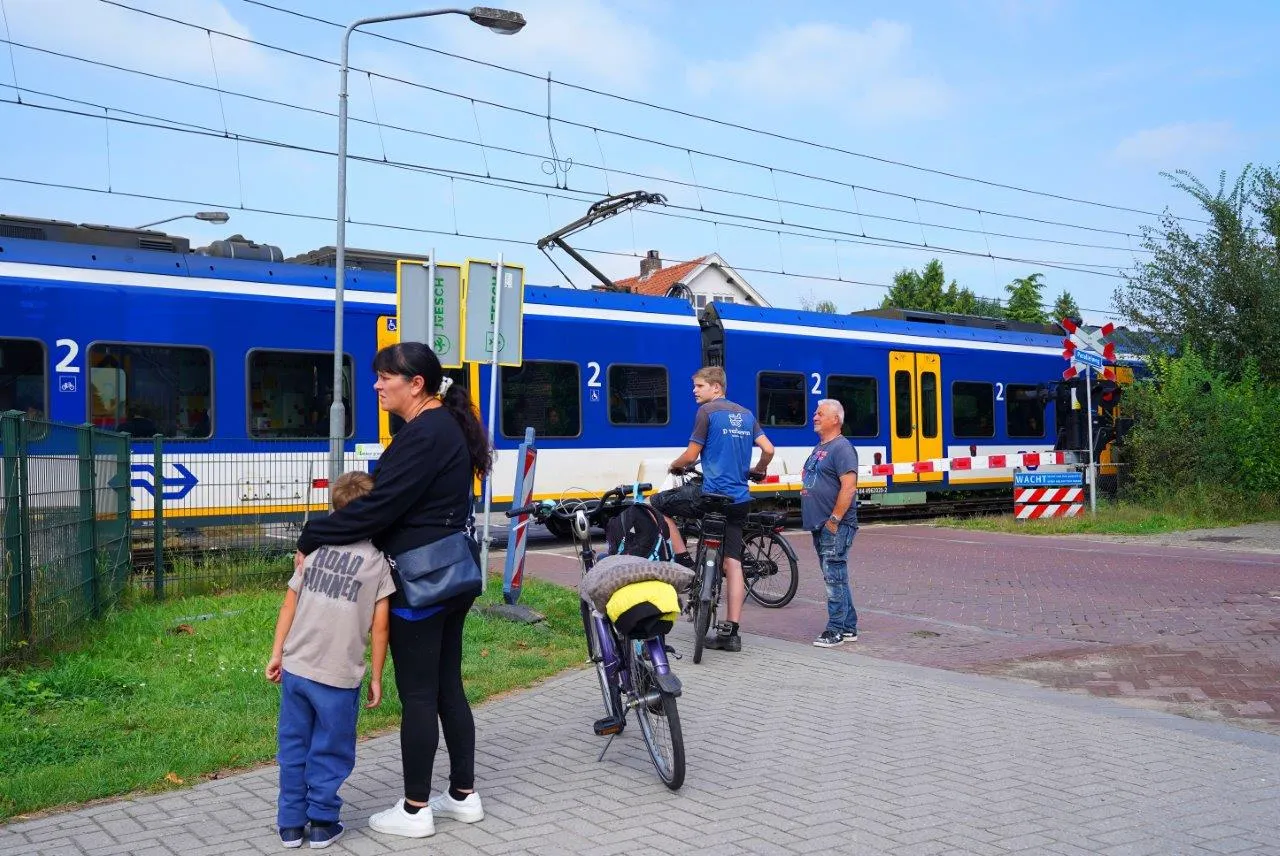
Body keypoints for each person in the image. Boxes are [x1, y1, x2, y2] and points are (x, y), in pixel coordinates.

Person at [294, 342, 492, 840]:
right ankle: (463, 796)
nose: (378, 385)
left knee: (420, 694)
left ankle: (415, 808)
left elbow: (381, 506)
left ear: (416, 384)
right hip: (451, 573)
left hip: (420, 581)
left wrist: (314, 534)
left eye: (386, 378)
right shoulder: (441, 426)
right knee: (447, 685)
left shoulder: (425, 433)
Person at [266, 470, 395, 849]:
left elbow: (289, 605)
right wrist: (376, 676)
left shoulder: (314, 552)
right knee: (331, 748)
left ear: (335, 508)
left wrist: (277, 653)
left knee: (293, 745)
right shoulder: (376, 563)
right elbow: (381, 627)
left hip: (297, 669)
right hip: (339, 677)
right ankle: (322, 821)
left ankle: (289, 824)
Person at [651, 366, 774, 653]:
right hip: (738, 500)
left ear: (716, 388)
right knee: (733, 562)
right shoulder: (746, 414)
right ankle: (731, 633)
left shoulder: (707, 413)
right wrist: (758, 470)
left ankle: (683, 558)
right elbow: (768, 449)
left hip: (708, 495)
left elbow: (692, 455)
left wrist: (675, 465)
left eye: (699, 386)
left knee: (657, 505)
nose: (695, 391)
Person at [801, 399, 859, 648]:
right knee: (835, 575)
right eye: (815, 413)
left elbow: (849, 487)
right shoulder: (820, 447)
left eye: (820, 413)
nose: (814, 416)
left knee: (833, 577)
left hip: (834, 524)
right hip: (821, 524)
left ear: (835, 419)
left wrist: (834, 520)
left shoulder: (842, 448)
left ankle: (834, 630)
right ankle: (848, 626)